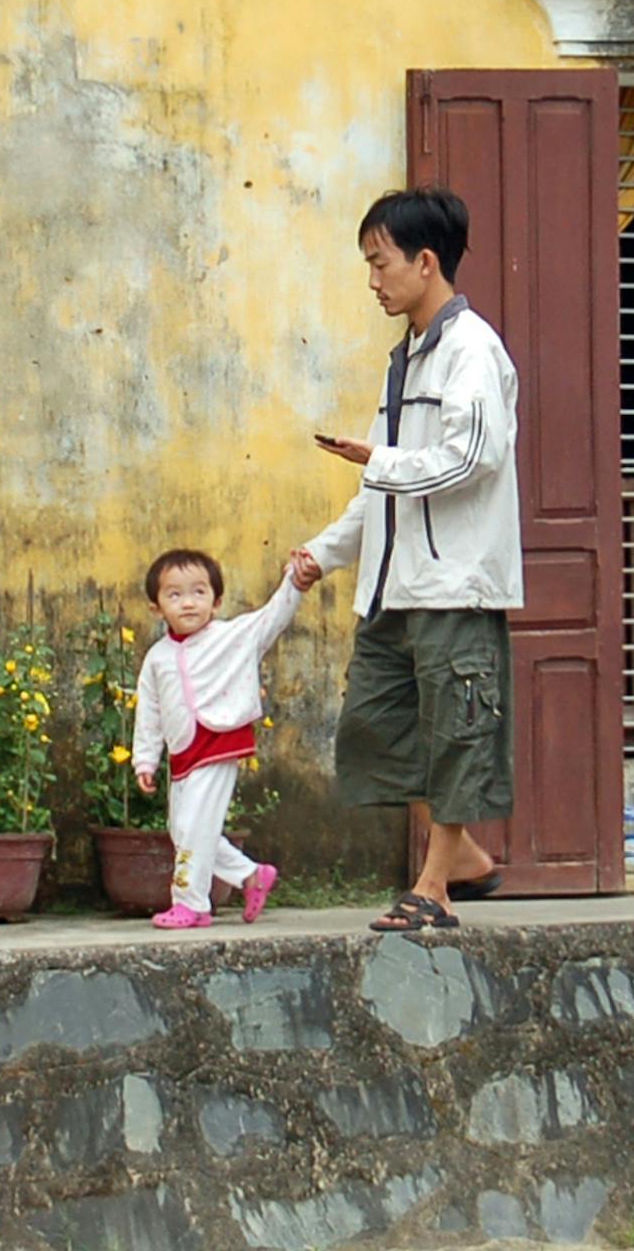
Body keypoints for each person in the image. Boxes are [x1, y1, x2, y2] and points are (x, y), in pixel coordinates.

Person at [288, 185, 521, 932]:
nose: (372, 280)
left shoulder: (474, 351)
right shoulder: (404, 363)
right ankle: (467, 857)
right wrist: (324, 553)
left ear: (425, 262)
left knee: (456, 732)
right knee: (375, 727)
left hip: (455, 585)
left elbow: (471, 460)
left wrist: (381, 461)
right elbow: (380, 485)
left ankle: (433, 890)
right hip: (395, 590)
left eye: (379, 262)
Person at [130, 547, 301, 931]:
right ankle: (250, 875)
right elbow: (150, 711)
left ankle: (191, 904)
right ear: (156, 608)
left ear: (217, 600)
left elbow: (273, 617)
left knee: (193, 828)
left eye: (198, 592)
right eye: (174, 595)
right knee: (183, 831)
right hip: (182, 752)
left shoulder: (233, 637)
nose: (188, 603)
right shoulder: (157, 658)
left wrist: (294, 580)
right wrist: (145, 759)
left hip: (219, 743)